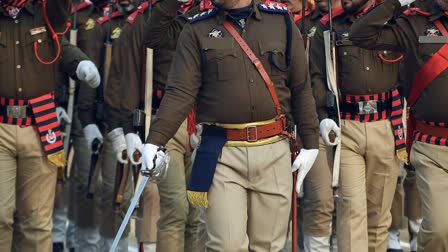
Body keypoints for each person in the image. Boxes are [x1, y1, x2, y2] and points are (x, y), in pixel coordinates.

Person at [139, 0, 320, 250]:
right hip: (221, 151)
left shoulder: (282, 22)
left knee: (267, 246)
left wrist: (311, 142)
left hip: (274, 148)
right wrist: (155, 141)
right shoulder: (196, 28)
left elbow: (300, 86)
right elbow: (180, 91)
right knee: (226, 245)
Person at [0, 1, 101, 251]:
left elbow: (60, 44)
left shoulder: (44, 10)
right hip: (0, 126)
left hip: (39, 125)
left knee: (35, 221)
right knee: (0, 216)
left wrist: (79, 63)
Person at [309, 0, 408, 251]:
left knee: (378, 213)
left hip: (387, 125)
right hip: (347, 126)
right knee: (351, 210)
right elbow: (317, 76)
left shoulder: (395, 20)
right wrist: (323, 115)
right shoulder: (330, 25)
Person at [350, 0, 448, 250]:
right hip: (433, 147)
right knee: (438, 229)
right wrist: (397, 2)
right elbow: (361, 34)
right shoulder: (415, 22)